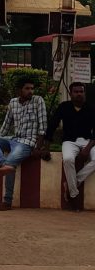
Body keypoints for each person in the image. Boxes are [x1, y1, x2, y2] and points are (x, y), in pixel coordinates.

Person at [0, 77, 47, 211]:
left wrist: (38, 147)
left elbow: (43, 127)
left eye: (32, 88)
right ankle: (5, 164)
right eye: (27, 88)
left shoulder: (38, 101)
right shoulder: (13, 103)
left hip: (27, 142)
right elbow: (6, 124)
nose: (30, 91)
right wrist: (0, 139)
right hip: (13, 139)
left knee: (10, 162)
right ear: (19, 90)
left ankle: (7, 201)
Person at [45, 82, 95, 211]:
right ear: (70, 93)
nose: (79, 94)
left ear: (84, 93)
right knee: (67, 159)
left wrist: (87, 149)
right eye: (76, 92)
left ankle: (73, 183)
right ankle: (73, 195)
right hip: (69, 141)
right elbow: (52, 125)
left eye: (81, 91)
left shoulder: (91, 108)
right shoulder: (64, 107)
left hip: (87, 140)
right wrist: (46, 145)